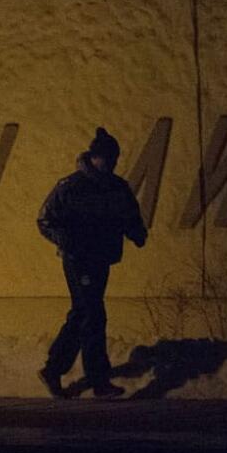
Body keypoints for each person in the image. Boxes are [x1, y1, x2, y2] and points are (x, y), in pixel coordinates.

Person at [36, 127, 147, 399]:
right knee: (94, 313)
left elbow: (129, 214)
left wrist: (137, 233)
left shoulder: (117, 187)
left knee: (83, 313)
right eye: (106, 159)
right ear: (94, 157)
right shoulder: (71, 186)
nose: (110, 164)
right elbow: (45, 219)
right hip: (78, 258)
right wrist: (64, 239)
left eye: (114, 159)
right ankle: (98, 380)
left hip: (101, 257)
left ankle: (53, 368)